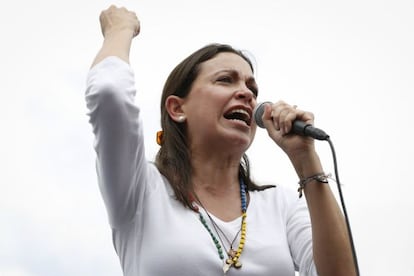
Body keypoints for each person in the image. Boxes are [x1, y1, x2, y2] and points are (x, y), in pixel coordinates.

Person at [85, 5, 356, 276]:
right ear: (177, 109)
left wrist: (306, 159)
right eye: (225, 80)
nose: (246, 94)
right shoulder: (141, 190)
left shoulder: (280, 206)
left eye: (252, 88)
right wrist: (120, 29)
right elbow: (111, 94)